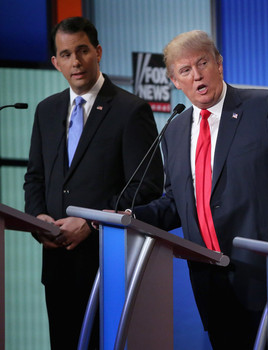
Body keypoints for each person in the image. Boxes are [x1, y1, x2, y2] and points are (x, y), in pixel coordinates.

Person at [131, 30, 268, 348]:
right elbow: (177, 202)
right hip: (211, 281)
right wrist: (129, 216)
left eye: (203, 63)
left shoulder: (263, 106)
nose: (197, 75)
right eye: (186, 70)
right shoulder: (175, 130)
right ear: (174, 80)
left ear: (219, 64)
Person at [23, 17, 164, 349]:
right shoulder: (46, 110)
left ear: (98, 52)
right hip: (57, 264)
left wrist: (91, 222)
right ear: (56, 62)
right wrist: (38, 219)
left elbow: (145, 185)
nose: (76, 61)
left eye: (83, 51)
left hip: (107, 263)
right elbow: (35, 178)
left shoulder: (131, 110)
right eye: (67, 54)